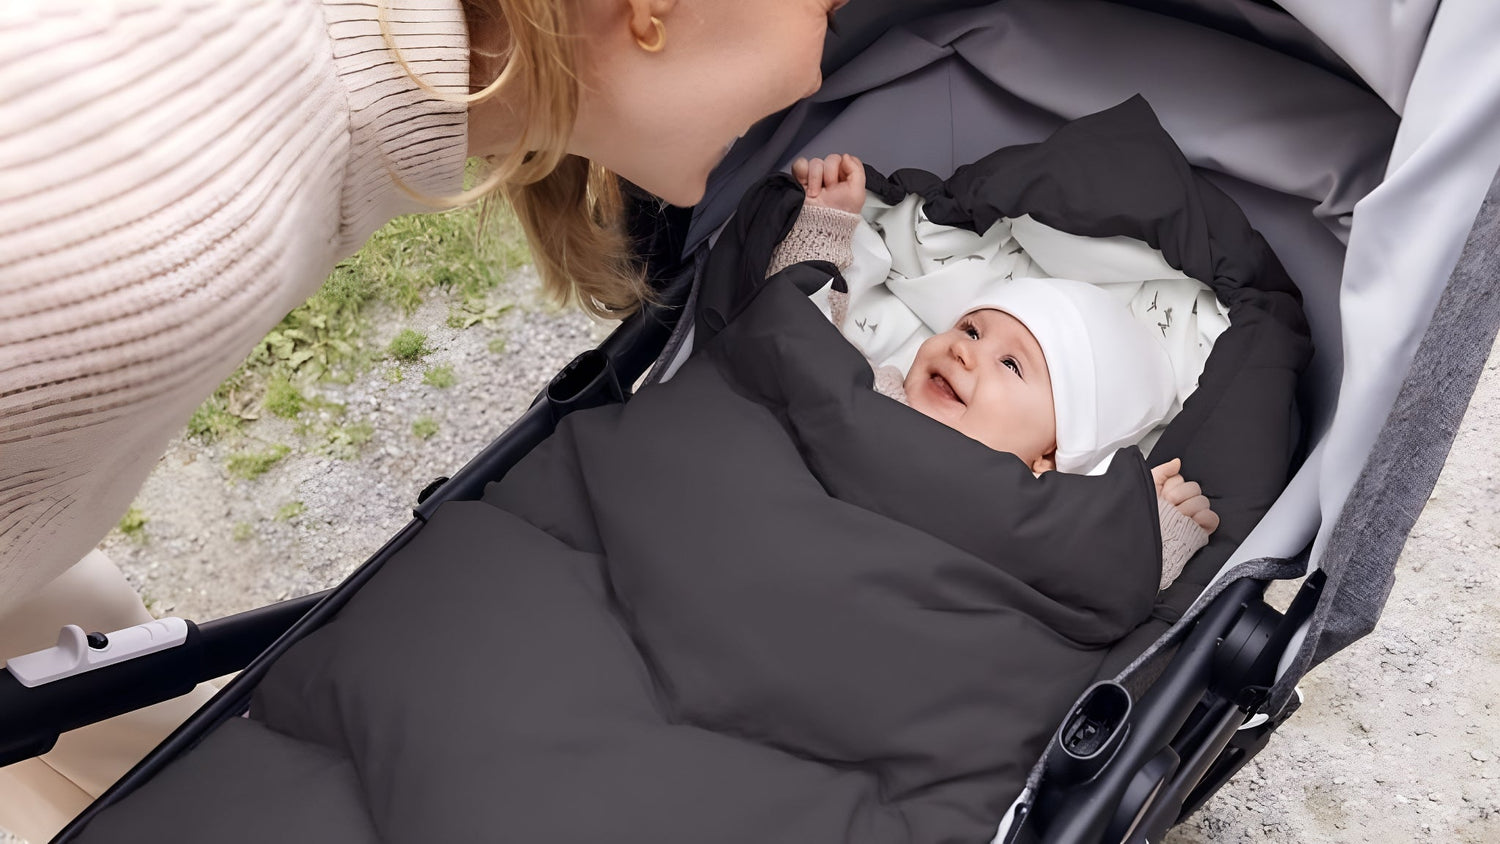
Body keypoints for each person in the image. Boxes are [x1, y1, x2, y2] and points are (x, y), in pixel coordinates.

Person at [0, 0, 849, 838]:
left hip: (43, 555)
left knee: (125, 719)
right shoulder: (159, 230)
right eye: (826, 5)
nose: (818, 74)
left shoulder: (278, 139)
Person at [768, 153, 1220, 585]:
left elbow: (1096, 582)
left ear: (1048, 453)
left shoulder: (1042, 517)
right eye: (970, 331)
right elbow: (793, 339)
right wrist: (825, 223)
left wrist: (1154, 538)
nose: (964, 352)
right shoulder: (872, 387)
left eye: (1010, 364)